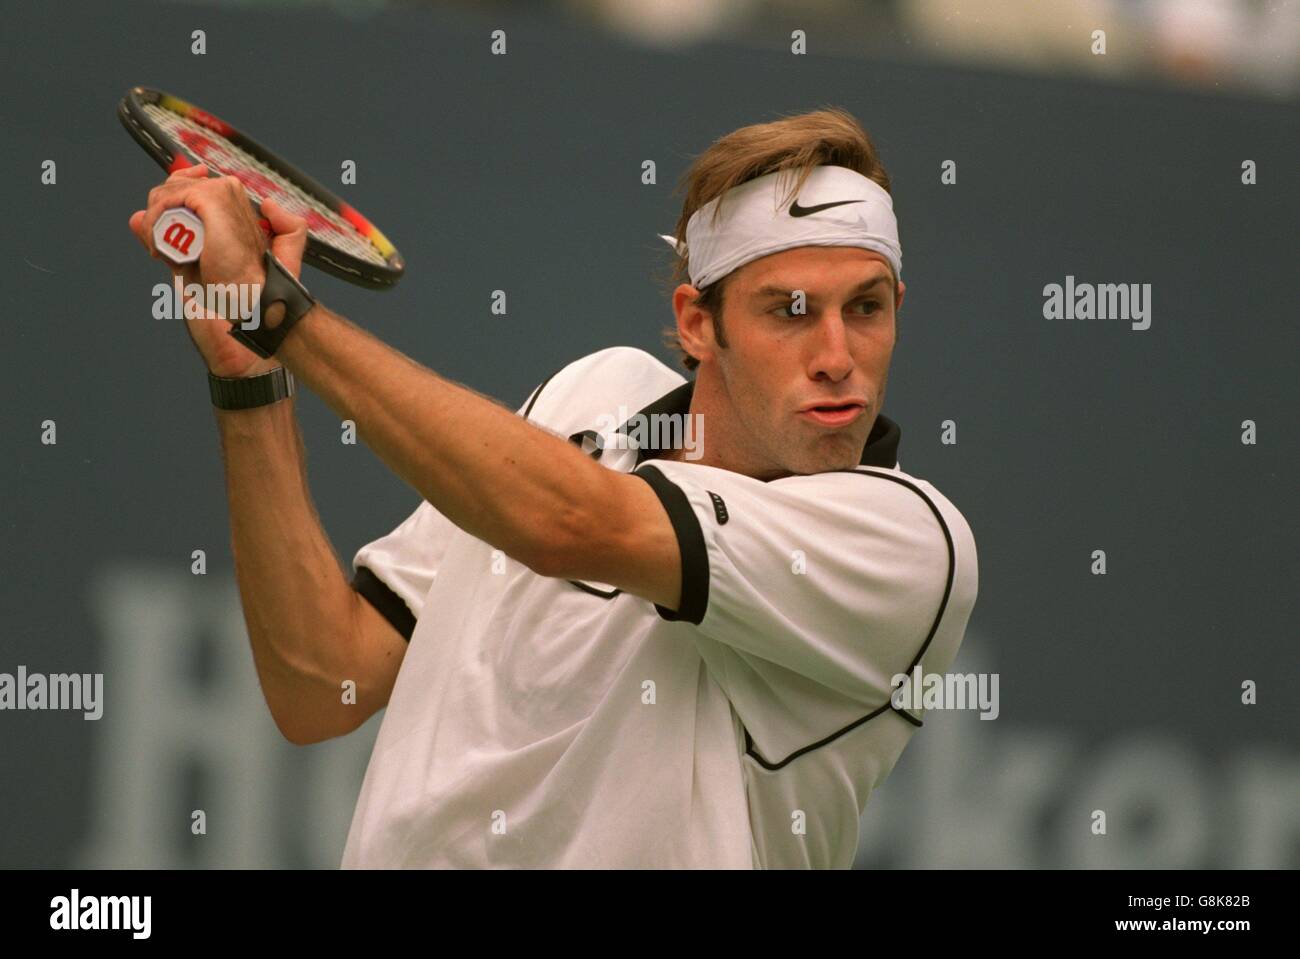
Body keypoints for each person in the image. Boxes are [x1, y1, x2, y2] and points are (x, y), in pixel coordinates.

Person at [127, 107, 978, 869]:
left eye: (865, 308)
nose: (837, 354)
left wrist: (278, 314)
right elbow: (322, 680)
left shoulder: (908, 545)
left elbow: (569, 521)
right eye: (790, 311)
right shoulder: (590, 398)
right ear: (697, 323)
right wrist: (249, 381)